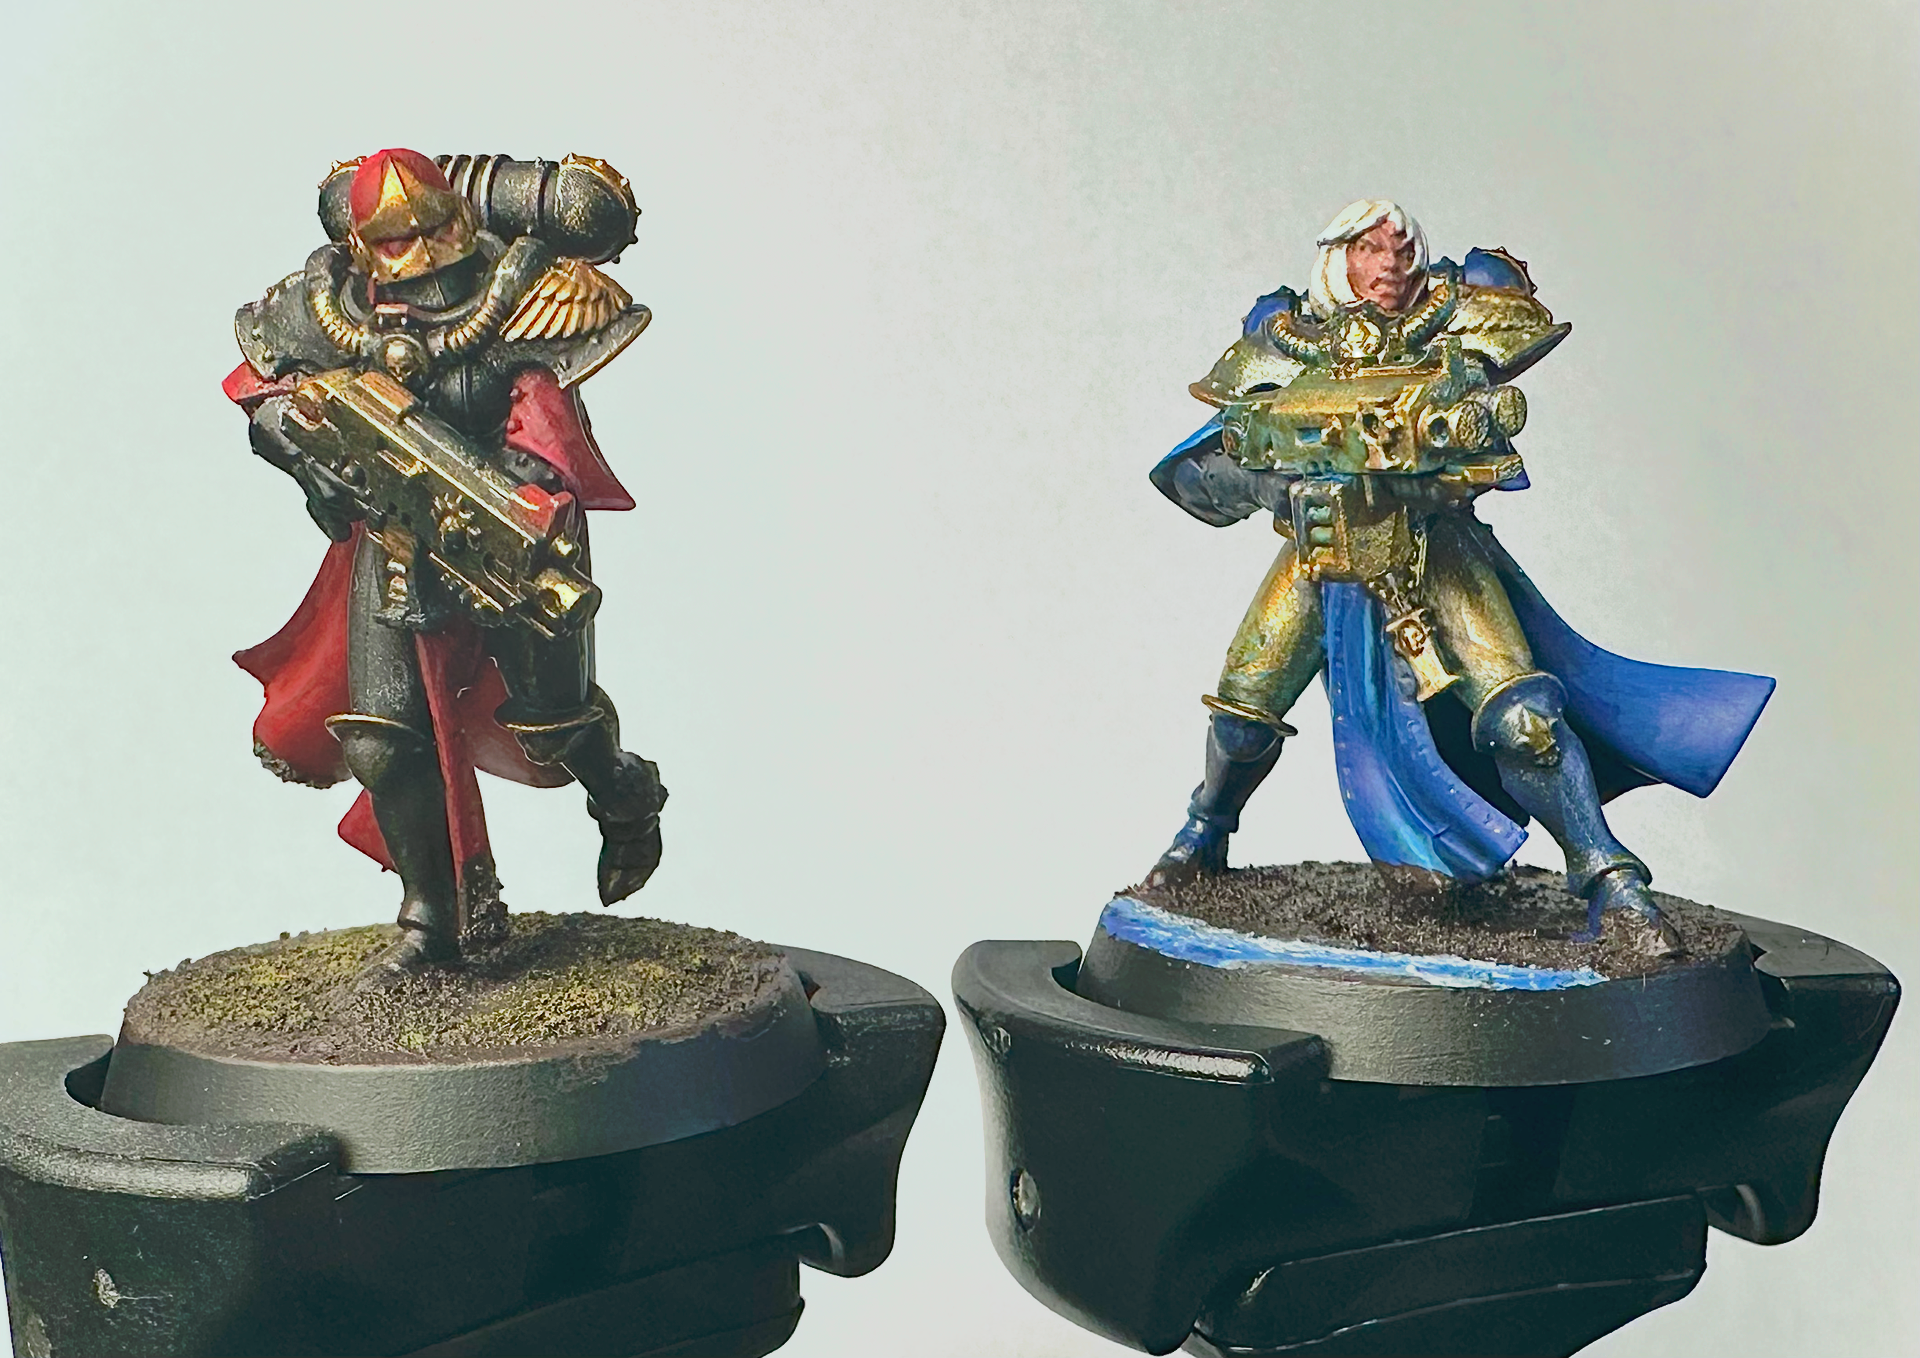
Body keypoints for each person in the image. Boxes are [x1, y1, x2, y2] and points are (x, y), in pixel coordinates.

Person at [1144, 199, 1774, 956]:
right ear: (1337, 258)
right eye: (1369, 250)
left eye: (1400, 250)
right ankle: (1204, 831)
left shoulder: (1456, 328)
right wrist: (1272, 480)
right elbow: (1206, 470)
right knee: (1244, 709)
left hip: (1434, 550)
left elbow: (1488, 434)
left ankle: (1611, 881)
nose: (1388, 266)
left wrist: (1442, 460)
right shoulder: (1286, 342)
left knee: (1525, 723)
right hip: (1321, 551)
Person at [223, 149, 665, 979]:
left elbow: (548, 433)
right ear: (361, 246)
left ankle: (625, 796)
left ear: (461, 221)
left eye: (433, 230)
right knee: (385, 740)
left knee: (554, 720)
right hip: (396, 543)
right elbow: (266, 395)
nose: (420, 256)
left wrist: (515, 501)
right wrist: (305, 454)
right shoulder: (328, 307)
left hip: (511, 541)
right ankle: (430, 918)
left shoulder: (521, 299)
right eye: (397, 240)